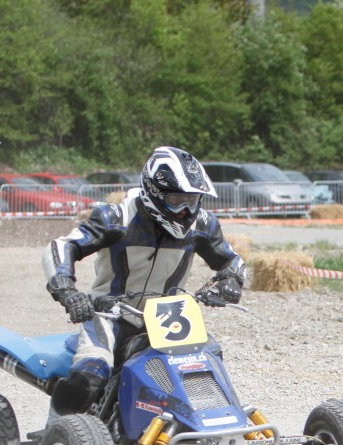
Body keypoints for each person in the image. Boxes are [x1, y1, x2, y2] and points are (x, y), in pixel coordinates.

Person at [42, 146, 245, 416]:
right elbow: (61, 247)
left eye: (193, 200)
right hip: (108, 315)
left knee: (207, 363)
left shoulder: (203, 225)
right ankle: (56, 437)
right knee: (90, 375)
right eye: (176, 199)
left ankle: (201, 435)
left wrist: (231, 281)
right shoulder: (115, 218)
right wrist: (67, 292)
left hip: (168, 318)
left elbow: (232, 260)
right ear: (154, 193)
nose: (186, 210)